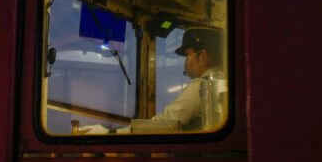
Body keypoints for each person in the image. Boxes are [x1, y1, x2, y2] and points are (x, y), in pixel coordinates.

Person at [78, 26, 224, 134]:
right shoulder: (224, 82)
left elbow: (166, 124)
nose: (186, 62)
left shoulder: (201, 87)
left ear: (202, 56)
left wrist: (109, 134)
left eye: (188, 55)